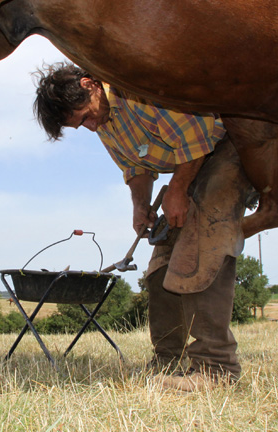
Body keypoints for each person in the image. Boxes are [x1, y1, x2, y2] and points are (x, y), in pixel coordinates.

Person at [33, 62, 255, 390]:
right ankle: (169, 359)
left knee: (198, 250)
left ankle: (217, 368)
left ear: (89, 84)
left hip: (228, 150)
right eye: (81, 126)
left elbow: (197, 138)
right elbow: (135, 167)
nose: (91, 127)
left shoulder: (136, 87)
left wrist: (178, 190)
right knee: (160, 271)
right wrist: (140, 206)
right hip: (191, 167)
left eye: (86, 116)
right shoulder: (106, 122)